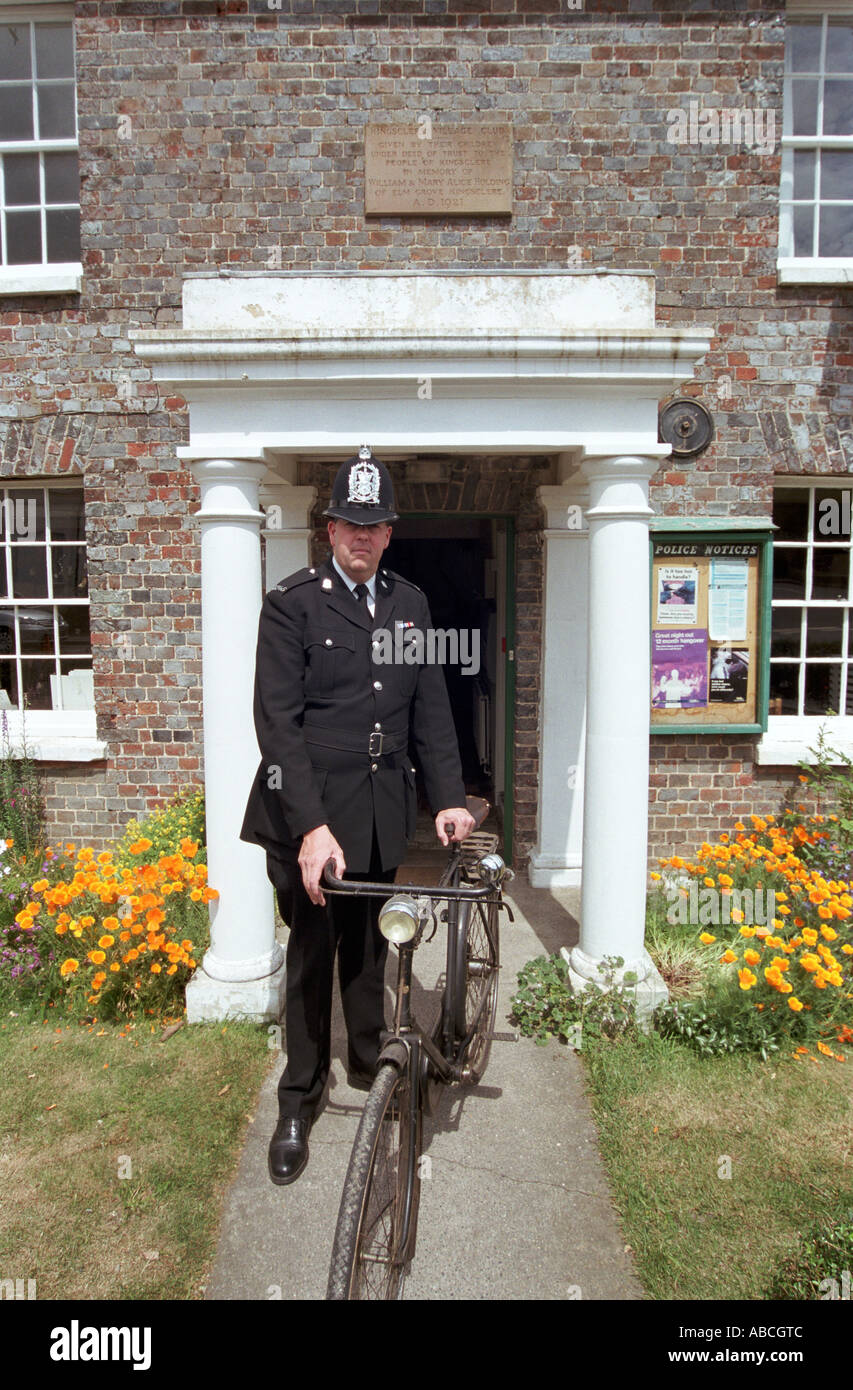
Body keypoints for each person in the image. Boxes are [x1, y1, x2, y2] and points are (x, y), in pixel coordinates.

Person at [240, 446, 475, 1185]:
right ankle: (298, 1098)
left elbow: (431, 709)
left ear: (389, 529)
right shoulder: (292, 603)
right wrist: (310, 829)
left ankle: (368, 1059)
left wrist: (447, 798)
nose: (362, 537)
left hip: (377, 808)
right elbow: (277, 725)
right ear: (329, 526)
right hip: (307, 812)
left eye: (375, 525)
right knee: (312, 958)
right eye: (350, 524)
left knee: (372, 951)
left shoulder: (411, 605)